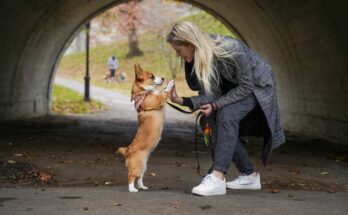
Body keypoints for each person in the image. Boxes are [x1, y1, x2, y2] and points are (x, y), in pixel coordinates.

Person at [166, 21, 285, 196]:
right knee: (212, 121)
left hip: (258, 85)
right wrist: (179, 99)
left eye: (178, 50)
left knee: (226, 114)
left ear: (190, 44)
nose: (177, 55)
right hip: (234, 86)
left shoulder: (231, 48)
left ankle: (218, 177)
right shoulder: (203, 57)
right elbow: (212, 94)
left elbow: (246, 86)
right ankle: (249, 175)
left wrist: (216, 105)